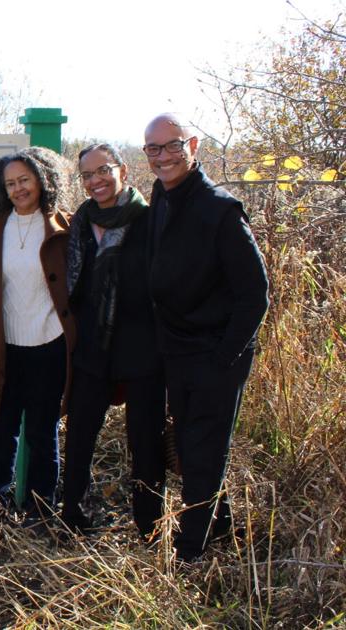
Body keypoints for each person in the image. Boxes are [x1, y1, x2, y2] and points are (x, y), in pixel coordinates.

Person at [143, 114, 268, 561]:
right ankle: (225, 531)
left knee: (202, 451)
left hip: (217, 353)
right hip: (177, 349)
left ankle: (189, 553)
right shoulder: (162, 198)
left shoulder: (220, 209)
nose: (162, 157)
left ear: (192, 145)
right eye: (153, 149)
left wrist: (224, 357)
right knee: (193, 447)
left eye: (171, 146)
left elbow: (256, 293)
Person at [0, 146, 75, 537]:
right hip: (6, 349)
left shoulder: (64, 228)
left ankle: (42, 512)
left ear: (42, 179)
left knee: (43, 434)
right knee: (1, 432)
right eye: (10, 184)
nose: (18, 189)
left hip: (51, 345)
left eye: (24, 180)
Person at [60, 143, 166, 539]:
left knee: (145, 443)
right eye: (87, 175)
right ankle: (75, 519)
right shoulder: (81, 222)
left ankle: (149, 528)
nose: (95, 181)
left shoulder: (149, 219)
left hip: (142, 348)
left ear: (122, 170)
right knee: (80, 437)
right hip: (92, 347)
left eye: (102, 171)